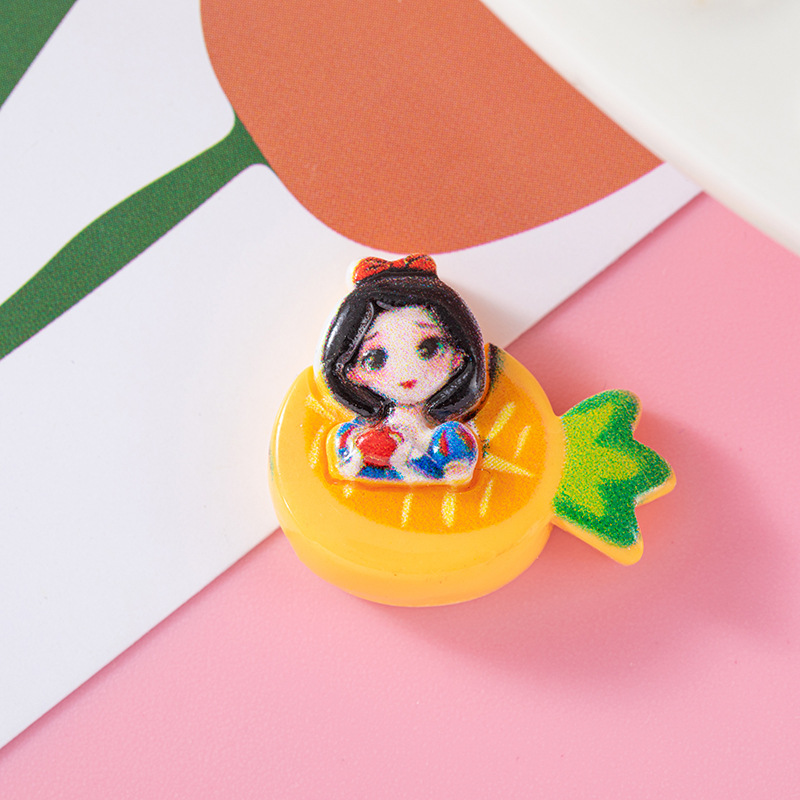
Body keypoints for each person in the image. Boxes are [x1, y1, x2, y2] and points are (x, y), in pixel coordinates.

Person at [320, 254, 487, 485]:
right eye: (375, 359)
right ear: (352, 373)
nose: (405, 371)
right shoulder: (352, 436)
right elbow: (347, 471)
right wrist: (365, 453)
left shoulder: (451, 439)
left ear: (459, 357)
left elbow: (456, 477)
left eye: (429, 348)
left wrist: (410, 457)